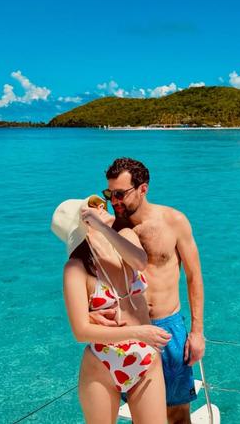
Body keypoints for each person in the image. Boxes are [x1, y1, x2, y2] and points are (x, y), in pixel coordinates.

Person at [89, 158, 205, 424]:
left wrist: (197, 332)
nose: (114, 201)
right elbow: (92, 279)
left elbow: (194, 276)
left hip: (167, 330)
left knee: (177, 413)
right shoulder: (109, 228)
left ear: (143, 189)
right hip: (127, 331)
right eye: (110, 194)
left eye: (120, 194)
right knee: (141, 414)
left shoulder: (173, 221)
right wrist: (93, 314)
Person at [52, 194, 171, 424]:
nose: (102, 206)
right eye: (92, 207)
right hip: (103, 363)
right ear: (82, 223)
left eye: (99, 203)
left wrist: (103, 229)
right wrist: (137, 332)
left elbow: (139, 262)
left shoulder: (125, 237)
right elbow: (81, 332)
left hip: (144, 357)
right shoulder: (75, 269)